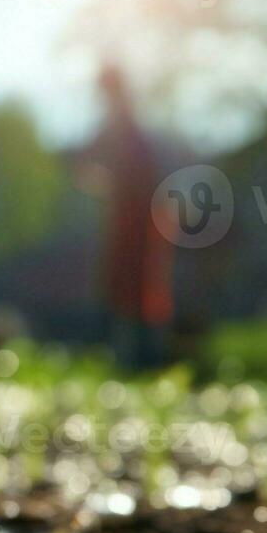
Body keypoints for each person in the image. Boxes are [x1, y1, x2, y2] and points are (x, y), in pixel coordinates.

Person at [89, 64, 175, 369]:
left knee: (141, 287)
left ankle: (144, 360)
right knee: (124, 287)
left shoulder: (127, 127)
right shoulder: (115, 125)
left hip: (142, 215)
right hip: (127, 215)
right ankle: (128, 359)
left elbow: (137, 174)